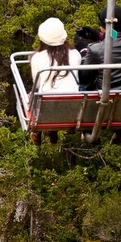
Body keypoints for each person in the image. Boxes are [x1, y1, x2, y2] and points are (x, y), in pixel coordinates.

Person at [78, 5, 121, 144]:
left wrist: (85, 53)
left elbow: (85, 79)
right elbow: (118, 35)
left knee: (83, 87)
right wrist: (101, 36)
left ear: (102, 25)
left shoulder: (95, 49)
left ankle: (88, 130)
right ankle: (120, 133)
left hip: (103, 103)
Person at [29, 17, 82, 146]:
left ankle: (38, 131)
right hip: (72, 107)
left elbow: (37, 82)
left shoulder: (37, 58)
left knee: (33, 94)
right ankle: (50, 130)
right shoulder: (75, 54)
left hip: (47, 107)